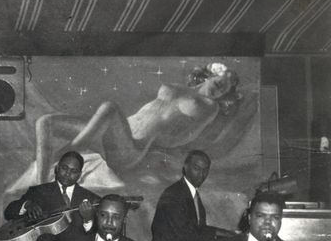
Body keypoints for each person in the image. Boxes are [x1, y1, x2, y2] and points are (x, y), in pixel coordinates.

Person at [36, 62, 244, 177]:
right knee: (45, 122)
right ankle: (40, 183)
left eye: (226, 88)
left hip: (130, 150)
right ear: (210, 74)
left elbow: (186, 137)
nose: (221, 87)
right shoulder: (180, 88)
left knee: (109, 107)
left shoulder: (209, 107)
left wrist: (163, 139)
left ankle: (66, 153)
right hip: (113, 133)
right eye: (221, 81)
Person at [151, 150, 232, 241]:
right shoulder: (175, 193)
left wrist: (224, 233)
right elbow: (186, 232)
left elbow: (197, 229)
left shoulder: (190, 192)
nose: (201, 174)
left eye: (205, 170)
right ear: (185, 167)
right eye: (196, 168)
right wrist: (220, 233)